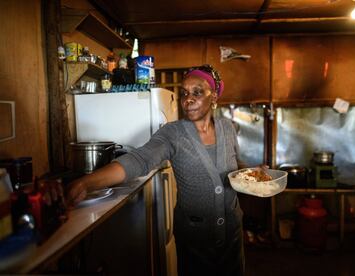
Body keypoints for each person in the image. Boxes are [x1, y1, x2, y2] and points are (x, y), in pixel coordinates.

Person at [67, 64, 245, 276]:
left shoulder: (228, 128)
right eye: (184, 93)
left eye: (197, 92)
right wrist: (86, 183)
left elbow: (237, 166)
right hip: (195, 239)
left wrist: (255, 175)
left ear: (214, 97)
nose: (188, 99)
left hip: (232, 234)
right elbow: (139, 160)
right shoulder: (172, 133)